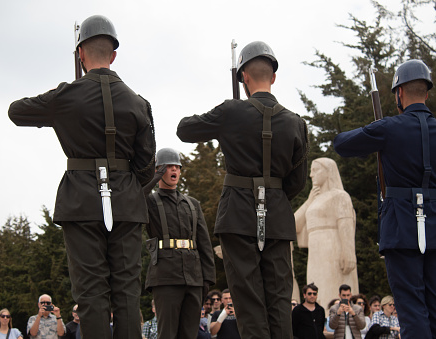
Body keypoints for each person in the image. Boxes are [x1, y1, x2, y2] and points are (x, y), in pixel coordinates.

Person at [8, 14, 155, 339]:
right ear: (114, 55)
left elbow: (16, 111)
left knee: (91, 294)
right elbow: (147, 166)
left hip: (81, 201)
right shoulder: (139, 103)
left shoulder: (66, 97)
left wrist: (61, 108)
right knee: (127, 293)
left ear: (81, 55)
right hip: (127, 204)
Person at [177, 41, 308, 339]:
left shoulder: (230, 111)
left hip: (237, 216)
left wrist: (226, 119)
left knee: (248, 301)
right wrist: (271, 197)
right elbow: (297, 181)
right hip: (276, 217)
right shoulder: (296, 123)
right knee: (278, 300)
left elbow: (184, 130)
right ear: (273, 77)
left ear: (244, 77)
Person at [333, 59, 436, 339]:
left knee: (412, 310)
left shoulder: (389, 128)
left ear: (399, 93)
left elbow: (342, 143)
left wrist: (377, 130)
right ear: (426, 93)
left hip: (401, 228)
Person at [143, 147, 216, 339]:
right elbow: (132, 199)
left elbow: (205, 244)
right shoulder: (149, 201)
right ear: (159, 170)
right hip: (165, 276)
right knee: (167, 334)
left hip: (194, 277)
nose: (174, 170)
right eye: (168, 167)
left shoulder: (192, 204)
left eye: (177, 166)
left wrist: (207, 279)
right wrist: (152, 178)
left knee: (189, 334)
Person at [295, 158, 359, 313]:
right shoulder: (314, 200)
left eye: (316, 170)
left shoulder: (340, 196)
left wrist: (348, 251)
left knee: (334, 286)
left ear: (328, 171)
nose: (311, 174)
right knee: (317, 289)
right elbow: (293, 225)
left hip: (333, 249)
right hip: (316, 254)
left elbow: (345, 225)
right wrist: (309, 201)